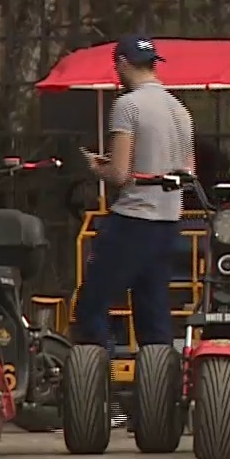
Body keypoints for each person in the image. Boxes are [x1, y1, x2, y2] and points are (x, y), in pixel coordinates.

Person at [74, 37, 196, 403]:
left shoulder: (127, 107)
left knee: (92, 306)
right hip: (168, 220)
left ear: (122, 63)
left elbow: (120, 173)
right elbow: (189, 171)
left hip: (133, 219)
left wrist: (96, 166)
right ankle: (158, 404)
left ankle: (96, 399)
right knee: (153, 314)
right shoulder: (179, 109)